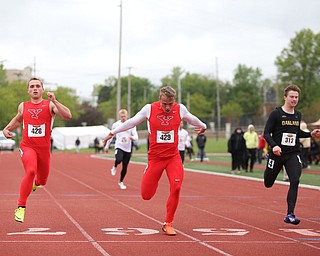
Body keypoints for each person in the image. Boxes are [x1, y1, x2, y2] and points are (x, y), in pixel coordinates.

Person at [103, 86, 206, 236]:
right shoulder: (149, 109)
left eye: (170, 104)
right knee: (146, 195)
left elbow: (192, 119)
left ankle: (168, 223)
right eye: (164, 104)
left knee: (176, 186)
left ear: (174, 101)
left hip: (173, 157)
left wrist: (203, 126)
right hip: (155, 159)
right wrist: (112, 132)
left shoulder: (180, 109)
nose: (167, 108)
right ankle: (150, 174)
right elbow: (131, 122)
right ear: (160, 99)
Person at [2, 77, 72, 223]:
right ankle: (21, 207)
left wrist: (56, 100)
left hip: (44, 149)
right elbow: (18, 119)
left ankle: (35, 184)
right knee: (31, 171)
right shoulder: (23, 106)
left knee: (42, 181)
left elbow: (68, 116)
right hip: (27, 146)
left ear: (42, 89)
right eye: (32, 86)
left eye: (37, 86)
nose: (35, 88)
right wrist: (7, 128)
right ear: (28, 90)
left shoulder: (50, 105)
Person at [263, 84, 320, 225]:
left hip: (292, 153)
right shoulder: (276, 114)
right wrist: (274, 146)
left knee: (295, 180)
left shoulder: (297, 115)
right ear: (285, 97)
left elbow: (296, 132)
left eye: (296, 97)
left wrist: (310, 134)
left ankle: (290, 214)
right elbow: (266, 133)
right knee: (268, 183)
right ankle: (268, 159)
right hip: (277, 154)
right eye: (291, 97)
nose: (294, 99)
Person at [104, 109, 138, 190]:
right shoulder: (116, 125)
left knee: (125, 167)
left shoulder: (131, 125)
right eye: (122, 116)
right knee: (118, 159)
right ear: (119, 116)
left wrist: (132, 137)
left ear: (127, 116)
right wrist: (107, 146)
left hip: (128, 148)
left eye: (124, 116)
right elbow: (111, 135)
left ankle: (121, 182)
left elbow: (136, 136)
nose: (123, 118)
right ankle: (115, 166)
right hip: (119, 146)